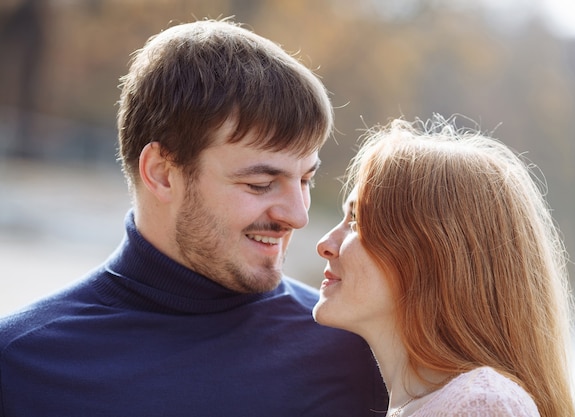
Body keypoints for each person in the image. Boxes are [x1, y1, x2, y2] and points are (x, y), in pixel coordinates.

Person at [0, 19, 387, 416]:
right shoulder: (19, 365)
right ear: (162, 173)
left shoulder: (357, 351)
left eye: (305, 179)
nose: (298, 216)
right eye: (260, 183)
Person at [313, 116, 575, 417]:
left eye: (358, 221)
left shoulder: (480, 404)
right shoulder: (432, 405)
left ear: (430, 254)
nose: (325, 243)